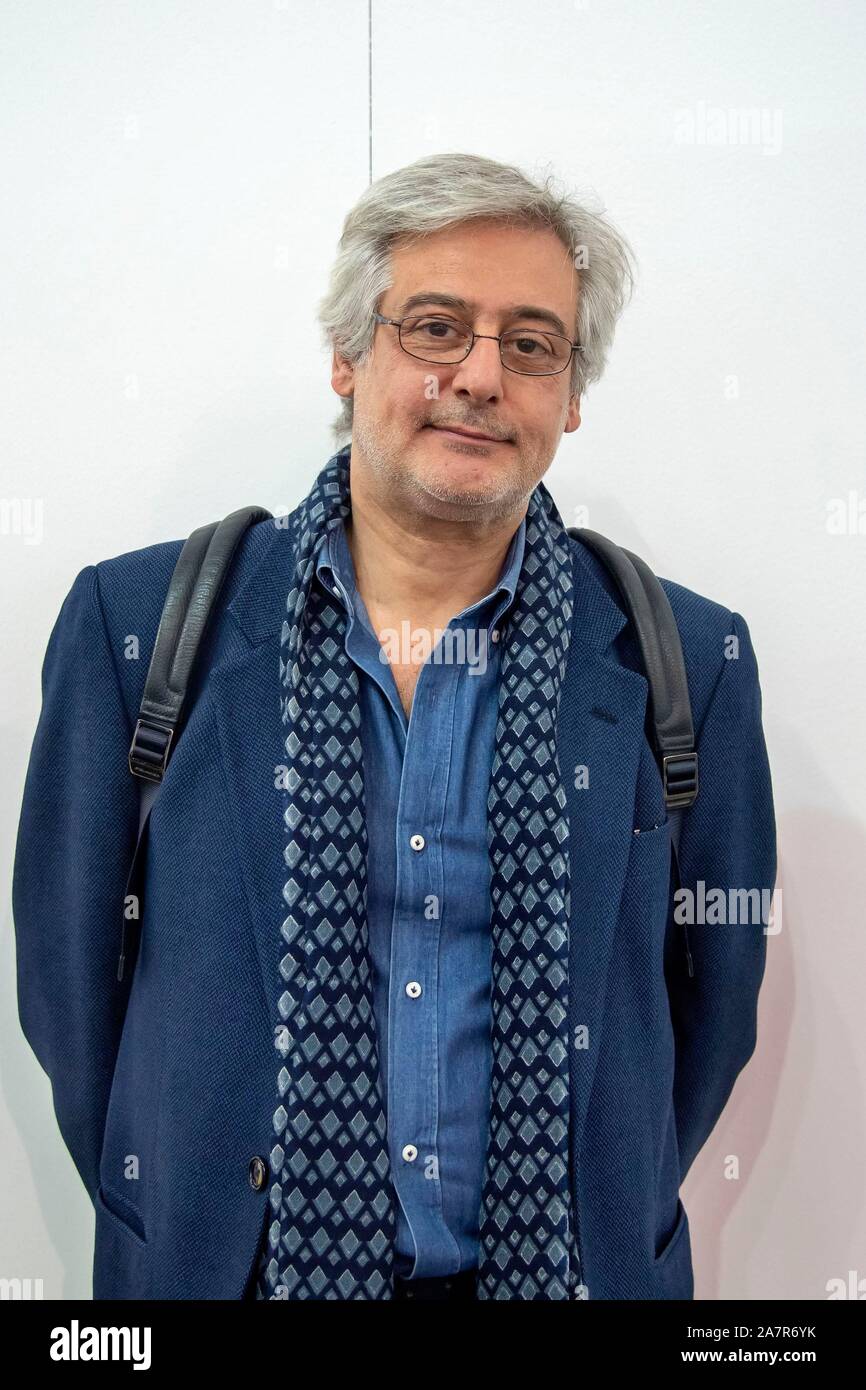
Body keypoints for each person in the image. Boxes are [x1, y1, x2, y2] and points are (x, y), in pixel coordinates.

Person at [13, 152, 776, 1301]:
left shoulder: (683, 658)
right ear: (346, 354)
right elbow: (70, 989)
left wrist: (594, 1205)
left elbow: (710, 1005)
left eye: (530, 343)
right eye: (434, 327)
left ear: (569, 394)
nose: (479, 375)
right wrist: (177, 1205)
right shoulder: (142, 625)